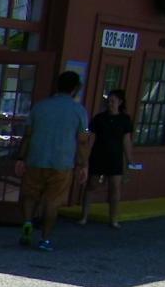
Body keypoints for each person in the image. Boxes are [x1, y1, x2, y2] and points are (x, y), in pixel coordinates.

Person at [14, 70, 90, 252]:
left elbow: (28, 135)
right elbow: (82, 141)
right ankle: (45, 239)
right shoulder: (79, 111)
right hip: (62, 163)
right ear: (75, 89)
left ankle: (27, 224)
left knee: (30, 196)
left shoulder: (40, 107)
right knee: (52, 202)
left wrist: (20, 157)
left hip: (36, 158)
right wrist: (83, 164)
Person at [80, 88, 135, 228]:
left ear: (120, 102)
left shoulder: (124, 119)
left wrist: (129, 160)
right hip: (98, 154)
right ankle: (84, 216)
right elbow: (90, 137)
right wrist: (85, 157)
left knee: (115, 188)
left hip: (115, 156)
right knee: (91, 185)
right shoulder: (99, 118)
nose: (109, 104)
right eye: (108, 101)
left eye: (113, 101)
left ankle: (113, 219)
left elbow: (126, 140)